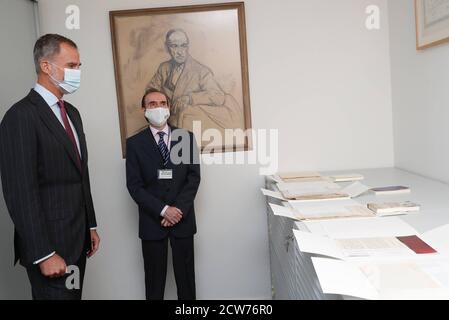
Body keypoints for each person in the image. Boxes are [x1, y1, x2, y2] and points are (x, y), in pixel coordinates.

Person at [0, 34, 100, 300]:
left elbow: (80, 175)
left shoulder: (73, 114)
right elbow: (20, 192)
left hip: (77, 239)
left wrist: (90, 225)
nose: (78, 72)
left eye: (79, 66)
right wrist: (43, 252)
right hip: (50, 247)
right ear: (46, 67)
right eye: (72, 65)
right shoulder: (20, 117)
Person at [126, 88, 200, 300]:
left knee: (186, 281)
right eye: (152, 104)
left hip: (183, 221)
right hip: (152, 222)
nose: (158, 107)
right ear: (144, 110)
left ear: (169, 107)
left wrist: (178, 210)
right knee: (154, 282)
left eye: (162, 103)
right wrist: (164, 210)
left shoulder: (186, 138)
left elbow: (193, 178)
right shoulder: (135, 144)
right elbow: (134, 186)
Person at [147, 28, 243, 132]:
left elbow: (218, 95)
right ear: (167, 48)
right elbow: (150, 91)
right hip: (165, 126)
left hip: (189, 127)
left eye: (183, 45)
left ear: (188, 46)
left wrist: (190, 98)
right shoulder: (163, 68)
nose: (180, 52)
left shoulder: (201, 71)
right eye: (174, 46)